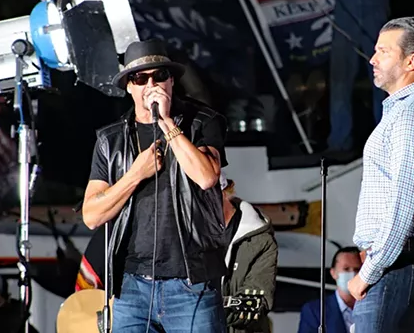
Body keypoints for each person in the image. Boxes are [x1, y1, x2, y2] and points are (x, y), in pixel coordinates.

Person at [80, 39, 229, 332]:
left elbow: (206, 177)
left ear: (171, 80)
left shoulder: (202, 123)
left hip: (190, 284)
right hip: (131, 287)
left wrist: (167, 123)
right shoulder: (111, 141)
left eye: (159, 75)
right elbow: (91, 215)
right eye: (141, 78)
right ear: (129, 87)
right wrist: (136, 173)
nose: (151, 84)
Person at [348, 16, 414, 333]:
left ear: (412, 61)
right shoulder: (410, 110)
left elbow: (403, 205)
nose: (372, 59)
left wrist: (367, 272)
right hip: (403, 260)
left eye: (383, 51)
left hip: (401, 262)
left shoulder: (411, 115)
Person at [324, 0, 398, 152]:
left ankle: (385, 141)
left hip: (376, 17)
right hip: (345, 19)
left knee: (382, 81)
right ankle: (339, 142)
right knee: (340, 80)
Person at [220, 173, 278, 333]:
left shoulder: (261, 240)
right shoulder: (185, 234)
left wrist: (203, 307)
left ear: (224, 193)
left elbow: (254, 303)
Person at [298, 247, 362, 333]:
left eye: (357, 269)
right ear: (333, 273)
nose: (352, 274)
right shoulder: (315, 311)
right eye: (346, 269)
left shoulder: (374, 308)